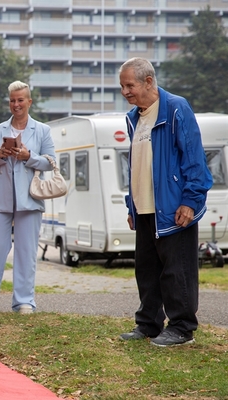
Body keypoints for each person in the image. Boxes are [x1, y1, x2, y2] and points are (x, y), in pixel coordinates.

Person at [117, 58, 212, 347]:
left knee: (177, 270)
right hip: (145, 208)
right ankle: (148, 324)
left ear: (148, 81)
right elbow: (137, 166)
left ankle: (182, 328)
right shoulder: (135, 117)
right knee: (146, 270)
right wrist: (131, 205)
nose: (125, 92)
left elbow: (194, 158)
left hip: (173, 207)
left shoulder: (175, 109)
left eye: (129, 85)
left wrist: (191, 201)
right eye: (122, 86)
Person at [0, 81, 56, 314]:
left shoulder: (42, 130)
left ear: (29, 102)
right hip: (0, 199)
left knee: (26, 251)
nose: (16, 104)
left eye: (20, 100)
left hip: (29, 199)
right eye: (12, 100)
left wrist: (29, 156)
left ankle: (24, 301)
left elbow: (50, 163)